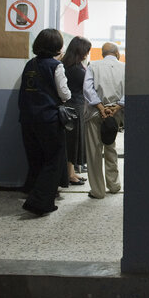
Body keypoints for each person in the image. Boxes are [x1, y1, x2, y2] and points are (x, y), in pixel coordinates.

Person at [19, 29, 71, 216]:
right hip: (48, 119)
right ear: (56, 47)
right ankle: (40, 202)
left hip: (27, 118)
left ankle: (32, 190)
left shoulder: (29, 64)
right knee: (54, 159)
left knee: (36, 159)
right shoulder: (56, 66)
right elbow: (65, 94)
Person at [83, 42, 125, 199]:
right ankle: (114, 185)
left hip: (95, 113)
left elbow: (87, 89)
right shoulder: (124, 67)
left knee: (94, 150)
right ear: (117, 54)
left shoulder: (93, 66)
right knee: (111, 147)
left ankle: (98, 191)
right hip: (115, 114)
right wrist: (117, 107)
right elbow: (130, 89)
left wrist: (101, 108)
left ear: (102, 54)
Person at [62, 36, 92, 186]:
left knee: (73, 141)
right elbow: (87, 85)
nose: (87, 53)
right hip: (74, 107)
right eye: (86, 50)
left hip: (73, 106)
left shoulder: (68, 65)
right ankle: (69, 174)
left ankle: (72, 172)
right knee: (73, 142)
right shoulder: (75, 69)